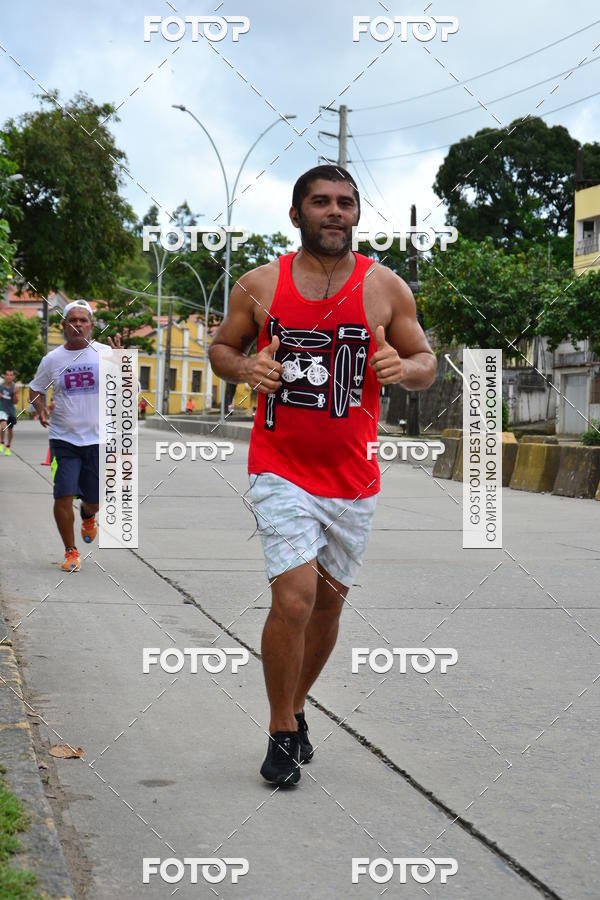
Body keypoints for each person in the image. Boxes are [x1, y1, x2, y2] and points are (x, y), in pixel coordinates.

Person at [209, 164, 437, 786]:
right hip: (279, 468)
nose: (333, 211)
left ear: (358, 215)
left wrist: (403, 368)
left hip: (354, 478)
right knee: (295, 598)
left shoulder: (386, 288)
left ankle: (299, 704)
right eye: (320, 202)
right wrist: (245, 369)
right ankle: (281, 729)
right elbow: (221, 347)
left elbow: (425, 362)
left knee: (329, 609)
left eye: (344, 203)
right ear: (296, 214)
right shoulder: (260, 285)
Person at [29, 300, 120, 572]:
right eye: (73, 320)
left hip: (99, 440)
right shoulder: (52, 360)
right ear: (64, 326)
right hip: (64, 439)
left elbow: (132, 389)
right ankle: (70, 551)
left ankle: (89, 514)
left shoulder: (105, 354)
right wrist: (41, 407)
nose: (78, 324)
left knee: (93, 500)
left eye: (83, 320)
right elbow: (35, 389)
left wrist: (121, 364)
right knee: (63, 495)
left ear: (91, 326)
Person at [0, 369, 17, 456]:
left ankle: (8, 447)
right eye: (8, 375)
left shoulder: (15, 387)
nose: (9, 377)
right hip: (2, 410)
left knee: (10, 430)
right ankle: (2, 442)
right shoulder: (1, 386)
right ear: (5, 376)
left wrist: (15, 394)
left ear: (13, 377)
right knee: (3, 426)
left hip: (11, 411)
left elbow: (15, 402)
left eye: (11, 375)